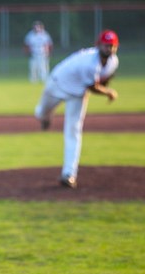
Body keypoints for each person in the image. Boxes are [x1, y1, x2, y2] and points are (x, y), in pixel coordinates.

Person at [34, 29, 120, 189]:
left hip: (78, 93)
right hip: (58, 84)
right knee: (40, 113)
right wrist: (109, 92)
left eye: (112, 46)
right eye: (106, 45)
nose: (109, 49)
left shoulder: (114, 62)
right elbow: (93, 87)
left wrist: (103, 84)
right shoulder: (89, 62)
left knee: (74, 131)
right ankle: (45, 117)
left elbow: (102, 79)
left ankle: (69, 174)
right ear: (98, 44)